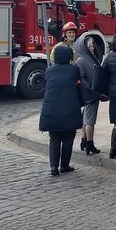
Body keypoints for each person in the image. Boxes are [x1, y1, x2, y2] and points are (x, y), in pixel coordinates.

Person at [39, 44, 83, 176]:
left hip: (51, 110)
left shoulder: (49, 70)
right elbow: (79, 85)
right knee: (68, 138)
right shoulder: (73, 69)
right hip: (70, 110)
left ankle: (54, 166)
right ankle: (64, 165)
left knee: (54, 139)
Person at [74, 34, 104, 155]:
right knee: (90, 120)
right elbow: (80, 78)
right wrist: (91, 89)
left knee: (86, 118)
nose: (92, 48)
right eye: (89, 46)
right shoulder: (82, 60)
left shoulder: (90, 58)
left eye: (93, 46)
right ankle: (89, 144)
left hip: (91, 93)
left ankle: (84, 140)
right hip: (90, 94)